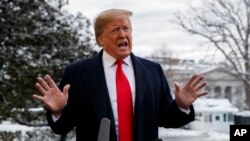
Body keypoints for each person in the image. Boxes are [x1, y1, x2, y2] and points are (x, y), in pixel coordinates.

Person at [33, 9, 208, 141]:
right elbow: (64, 126)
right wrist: (58, 110)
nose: (123, 34)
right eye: (116, 30)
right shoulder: (77, 73)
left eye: (127, 29)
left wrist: (181, 106)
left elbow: (166, 118)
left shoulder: (152, 71)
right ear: (100, 39)